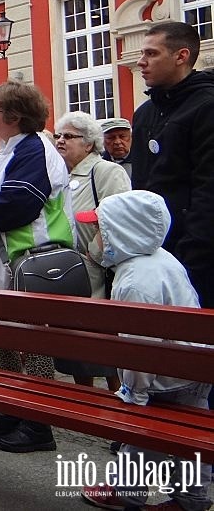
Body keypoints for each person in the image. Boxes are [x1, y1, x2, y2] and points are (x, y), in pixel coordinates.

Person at [0, 81, 75, 453]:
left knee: (31, 344)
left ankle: (38, 421)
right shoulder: (8, 152)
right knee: (3, 339)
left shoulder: (34, 149)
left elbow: (17, 203)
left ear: (14, 116)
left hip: (29, 263)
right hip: (5, 264)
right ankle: (13, 406)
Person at [77, 190, 211, 511]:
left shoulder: (135, 281)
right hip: (194, 365)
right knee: (188, 436)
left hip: (164, 376)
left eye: (100, 229)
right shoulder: (162, 259)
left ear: (122, 230)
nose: (96, 236)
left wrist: (134, 393)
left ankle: (128, 493)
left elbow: (139, 351)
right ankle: (190, 497)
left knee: (145, 431)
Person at [131, 21, 214, 310]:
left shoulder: (206, 106)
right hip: (153, 257)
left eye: (152, 54)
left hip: (197, 259)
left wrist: (191, 259)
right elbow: (140, 188)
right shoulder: (144, 114)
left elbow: (208, 190)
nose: (141, 62)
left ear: (181, 56)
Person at [52, 111, 131, 390]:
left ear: (89, 143)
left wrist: (93, 253)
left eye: (68, 136)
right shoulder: (59, 175)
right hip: (68, 273)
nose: (60, 141)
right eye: (58, 135)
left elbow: (118, 220)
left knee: (106, 348)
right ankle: (84, 404)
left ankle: (121, 403)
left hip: (99, 272)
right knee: (75, 350)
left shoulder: (106, 171)